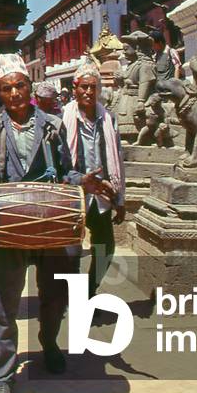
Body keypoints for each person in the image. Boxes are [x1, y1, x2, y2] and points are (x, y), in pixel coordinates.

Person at [0, 53, 111, 393]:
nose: (14, 93)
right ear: (2, 94)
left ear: (29, 88)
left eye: (20, 85)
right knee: (2, 304)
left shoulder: (53, 125)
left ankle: (48, 343)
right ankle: (3, 376)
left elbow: (67, 173)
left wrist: (81, 180)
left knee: (54, 296)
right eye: (7, 88)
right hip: (8, 227)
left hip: (49, 224)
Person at [62, 62, 127, 298]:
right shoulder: (63, 119)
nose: (89, 92)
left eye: (93, 87)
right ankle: (67, 295)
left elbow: (117, 158)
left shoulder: (108, 120)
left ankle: (89, 292)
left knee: (105, 249)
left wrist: (120, 198)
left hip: (100, 194)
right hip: (72, 193)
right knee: (69, 252)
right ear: (75, 88)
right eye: (84, 87)